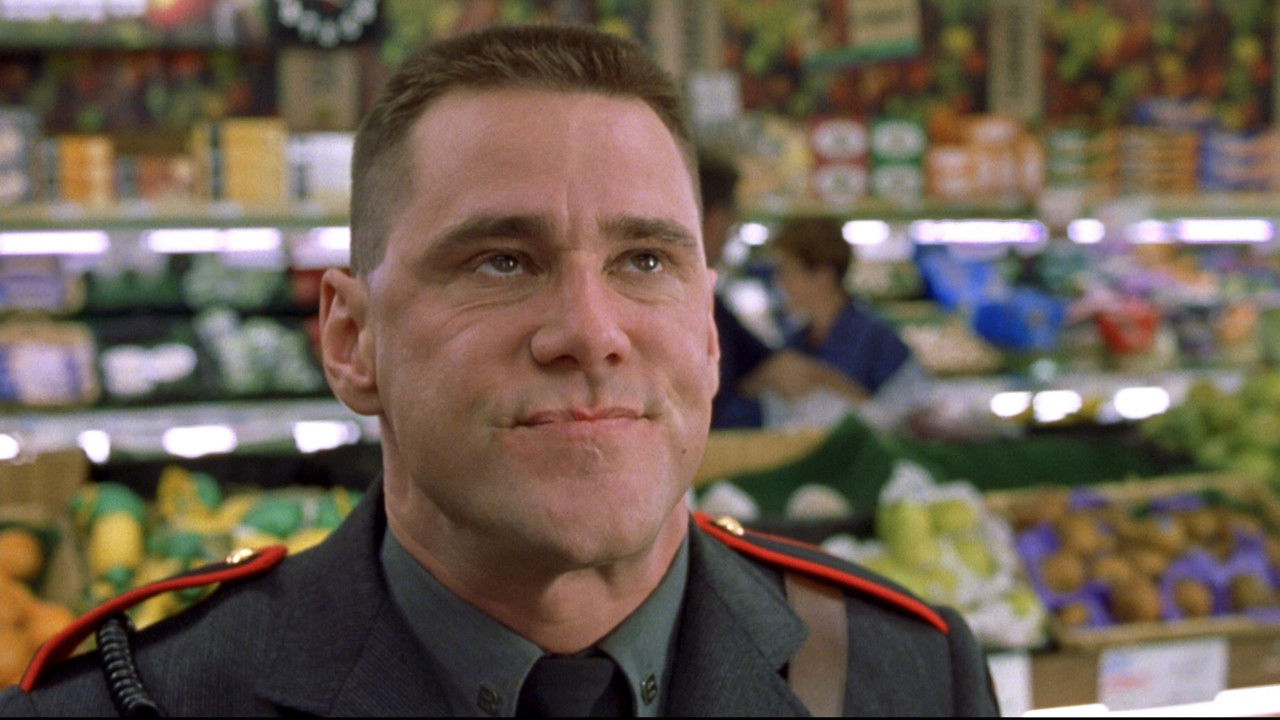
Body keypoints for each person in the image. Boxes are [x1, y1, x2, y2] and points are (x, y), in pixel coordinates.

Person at [2, 24, 997, 717]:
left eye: (644, 261)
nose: (590, 332)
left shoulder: (906, 679)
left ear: (705, 330)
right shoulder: (135, 703)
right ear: (351, 341)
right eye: (501, 262)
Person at [767, 216, 933, 431]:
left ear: (823, 275)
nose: (780, 281)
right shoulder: (797, 341)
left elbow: (909, 420)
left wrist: (822, 378)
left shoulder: (877, 340)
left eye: (788, 270)